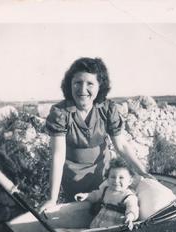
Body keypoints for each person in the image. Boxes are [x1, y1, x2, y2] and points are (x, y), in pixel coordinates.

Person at [41, 57, 152, 211]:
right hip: (74, 178)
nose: (82, 89)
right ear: (70, 84)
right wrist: (52, 199)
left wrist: (143, 172)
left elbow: (122, 145)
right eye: (77, 83)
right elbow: (58, 155)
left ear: (100, 86)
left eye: (90, 84)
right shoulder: (60, 113)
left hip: (104, 175)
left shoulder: (107, 109)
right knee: (82, 215)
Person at [75, 157, 139, 230]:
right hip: (98, 224)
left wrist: (130, 217)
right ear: (107, 179)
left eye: (121, 178)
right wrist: (86, 196)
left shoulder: (128, 197)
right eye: (113, 177)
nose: (116, 181)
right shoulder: (106, 190)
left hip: (113, 228)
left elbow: (132, 209)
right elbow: (95, 195)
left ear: (130, 181)